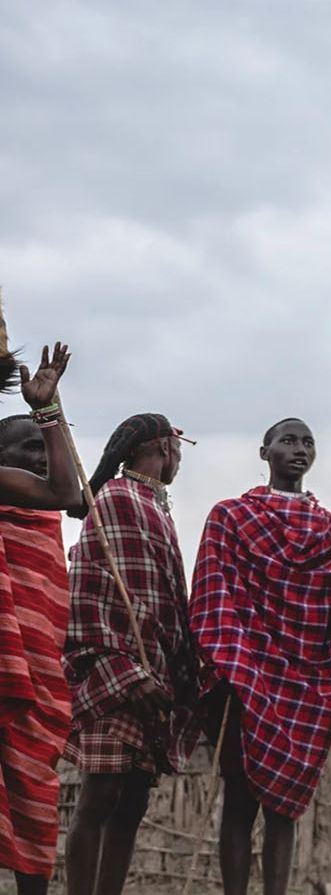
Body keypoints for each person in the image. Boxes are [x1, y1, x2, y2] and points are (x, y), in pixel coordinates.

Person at [188, 419, 331, 895]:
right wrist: (238, 666)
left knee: (287, 806)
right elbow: (212, 595)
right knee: (239, 800)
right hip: (246, 679)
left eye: (308, 442)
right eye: (288, 440)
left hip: (307, 683)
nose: (299, 449)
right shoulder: (231, 518)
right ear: (265, 453)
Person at [64, 413, 200, 895]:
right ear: (166, 447)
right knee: (100, 796)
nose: (180, 459)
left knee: (132, 802)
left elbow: (159, 595)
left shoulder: (155, 506)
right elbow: (89, 586)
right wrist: (123, 668)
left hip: (152, 673)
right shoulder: (119, 497)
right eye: (179, 449)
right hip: (115, 669)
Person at [0, 346, 87, 895]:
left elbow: (68, 492)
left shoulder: (38, 513)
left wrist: (47, 412)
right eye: (26, 448)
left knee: (34, 798)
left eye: (41, 448)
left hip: (36, 674)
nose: (38, 457)